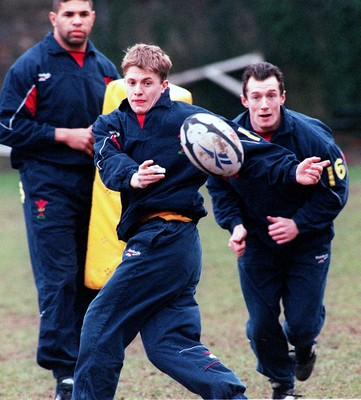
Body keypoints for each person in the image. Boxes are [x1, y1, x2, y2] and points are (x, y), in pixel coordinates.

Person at [72, 43, 329, 400]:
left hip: (165, 239)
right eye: (131, 82)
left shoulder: (188, 122)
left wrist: (291, 169)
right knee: (167, 343)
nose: (138, 91)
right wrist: (132, 175)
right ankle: (230, 395)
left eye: (147, 83)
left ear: (164, 85)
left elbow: (246, 147)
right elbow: (108, 160)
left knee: (100, 323)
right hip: (161, 246)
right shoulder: (110, 123)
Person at [207, 61, 349, 399]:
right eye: (256, 96)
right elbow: (220, 188)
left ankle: (304, 346)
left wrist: (297, 223)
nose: (264, 104)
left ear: (283, 97)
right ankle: (282, 386)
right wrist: (235, 225)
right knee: (260, 326)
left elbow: (336, 192)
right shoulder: (227, 140)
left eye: (271, 95)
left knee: (300, 325)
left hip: (308, 242)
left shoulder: (312, 137)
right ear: (244, 100)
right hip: (256, 243)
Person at [0, 1, 119, 399]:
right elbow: (7, 123)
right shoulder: (31, 66)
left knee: (93, 278)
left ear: (92, 19)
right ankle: (64, 375)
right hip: (47, 186)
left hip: (97, 189)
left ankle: (87, 364)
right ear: (54, 19)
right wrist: (64, 135)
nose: (76, 21)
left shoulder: (106, 70)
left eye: (83, 14)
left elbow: (123, 124)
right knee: (59, 278)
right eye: (68, 14)